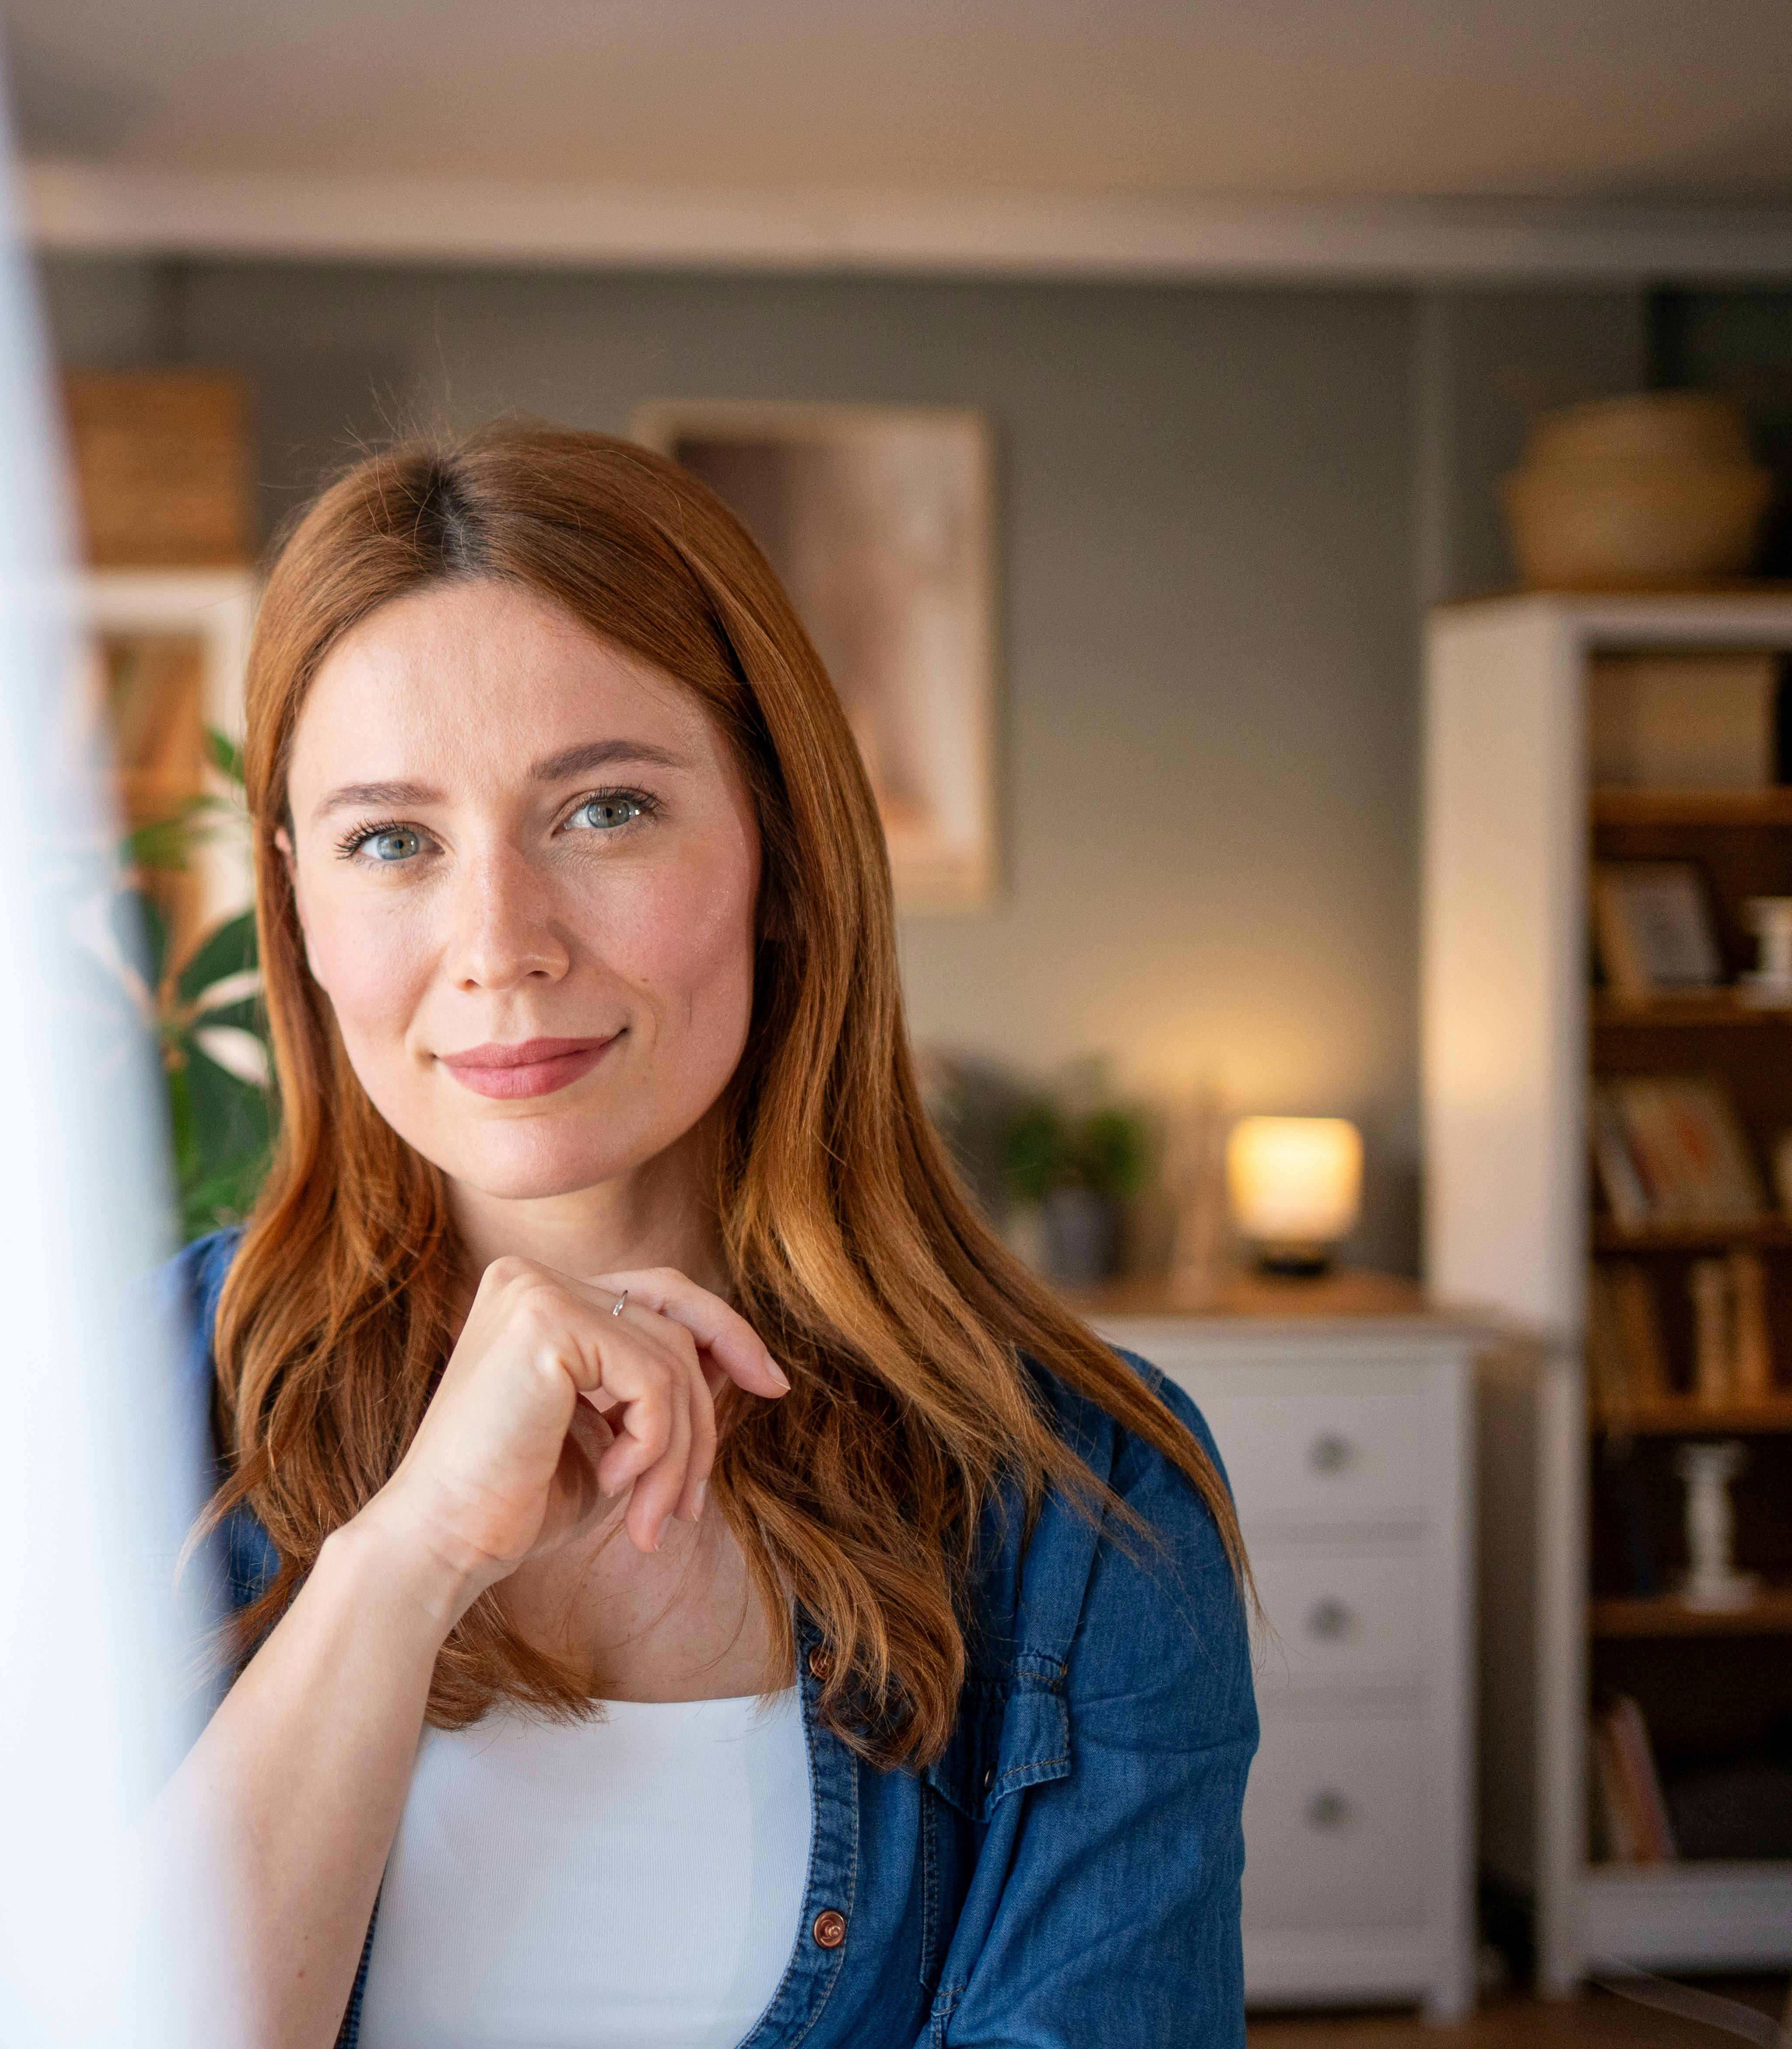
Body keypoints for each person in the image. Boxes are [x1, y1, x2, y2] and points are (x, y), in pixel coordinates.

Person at [155, 425, 1255, 2049]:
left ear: (782, 853)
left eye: (603, 811)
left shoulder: (1085, 1505)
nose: (499, 948)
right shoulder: (120, 1408)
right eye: (393, 840)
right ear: (299, 904)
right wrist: (401, 1565)